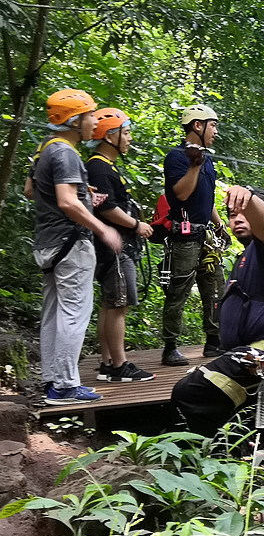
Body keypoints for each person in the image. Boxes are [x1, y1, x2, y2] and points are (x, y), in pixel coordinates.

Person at [172, 185, 264, 503]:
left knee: (190, 392)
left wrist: (249, 200)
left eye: (243, 213)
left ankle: (214, 467)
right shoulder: (246, 256)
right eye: (232, 214)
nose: (237, 218)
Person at [27, 90, 122, 405]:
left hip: (48, 244)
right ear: (74, 119)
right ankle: (66, 386)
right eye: (90, 115)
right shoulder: (66, 152)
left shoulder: (45, 149)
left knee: (53, 313)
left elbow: (32, 190)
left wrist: (84, 195)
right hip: (71, 244)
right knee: (73, 314)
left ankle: (52, 382)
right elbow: (66, 202)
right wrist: (102, 228)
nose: (94, 121)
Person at [86, 108, 155, 383]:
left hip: (114, 247)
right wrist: (136, 226)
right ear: (109, 136)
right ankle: (119, 365)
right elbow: (107, 208)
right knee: (119, 306)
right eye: (125, 133)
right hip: (114, 249)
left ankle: (107, 362)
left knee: (111, 305)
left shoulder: (104, 166)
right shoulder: (98, 167)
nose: (129, 139)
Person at [160, 104, 229, 366]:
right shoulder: (177, 157)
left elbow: (206, 198)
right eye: (212, 125)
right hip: (185, 236)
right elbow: (182, 194)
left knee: (215, 288)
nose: (216, 131)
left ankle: (214, 341)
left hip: (206, 234)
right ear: (197, 126)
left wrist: (220, 225)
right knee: (179, 290)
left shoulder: (206, 159)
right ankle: (170, 347)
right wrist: (194, 166)